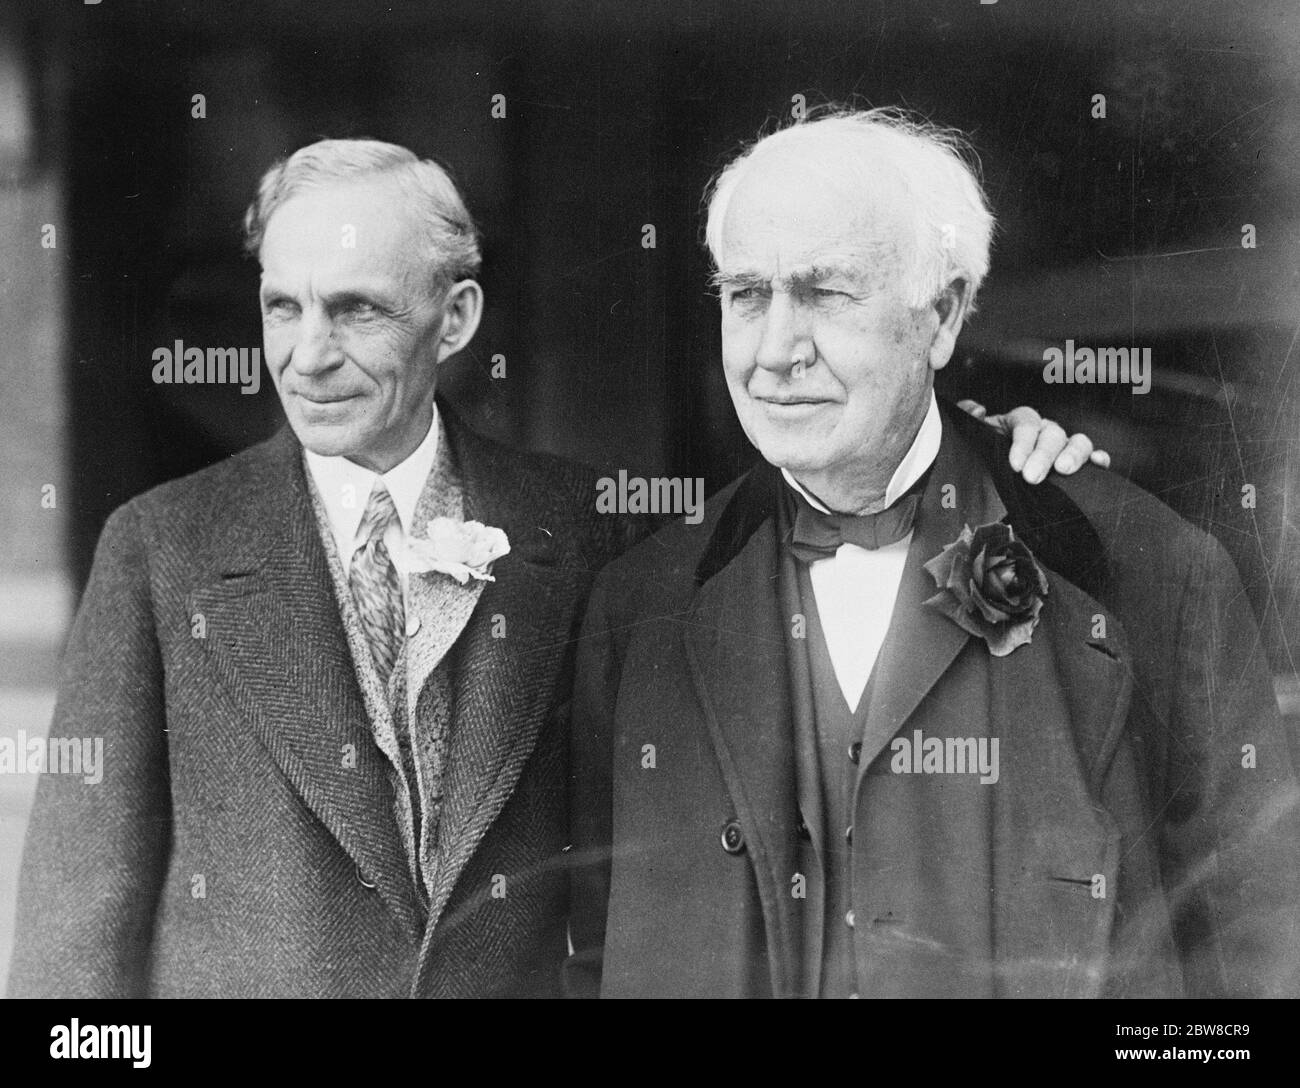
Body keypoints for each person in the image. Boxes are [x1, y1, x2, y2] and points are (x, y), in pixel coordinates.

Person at [8, 137, 1099, 999]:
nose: (306, 352)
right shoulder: (161, 550)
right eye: (281, 307)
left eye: (356, 309)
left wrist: (991, 443)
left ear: (457, 317)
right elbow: (74, 937)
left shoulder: (592, 536)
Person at [566, 109, 1300, 999]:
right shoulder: (639, 606)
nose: (773, 352)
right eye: (748, 294)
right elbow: (596, 958)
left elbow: (1258, 965)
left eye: (828, 294)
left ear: (943, 314)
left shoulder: (1150, 574)